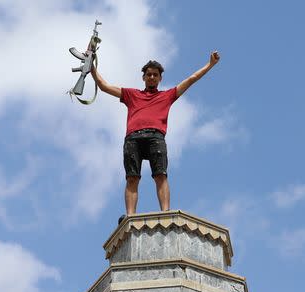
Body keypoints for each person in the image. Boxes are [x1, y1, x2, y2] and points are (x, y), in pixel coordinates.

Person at [92, 52, 220, 218]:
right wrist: (91, 68)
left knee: (161, 175)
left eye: (155, 75)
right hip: (133, 138)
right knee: (132, 178)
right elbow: (104, 86)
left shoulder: (166, 96)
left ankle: (166, 213)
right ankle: (130, 215)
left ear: (160, 78)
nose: (152, 77)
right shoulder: (132, 94)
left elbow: (191, 79)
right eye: (149, 74)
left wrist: (209, 65)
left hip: (155, 137)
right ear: (143, 77)